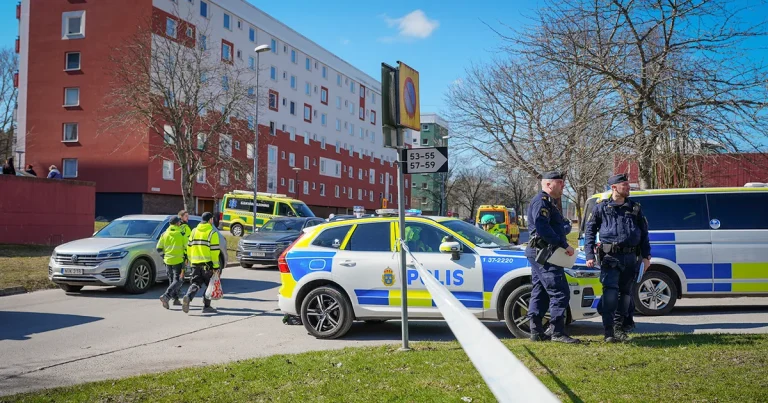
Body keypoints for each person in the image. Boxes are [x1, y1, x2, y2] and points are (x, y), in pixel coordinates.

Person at [584, 173, 651, 343]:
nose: (628, 188)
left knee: (625, 295)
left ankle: (619, 328)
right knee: (611, 294)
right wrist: (589, 255)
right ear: (614, 188)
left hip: (630, 257)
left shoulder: (634, 208)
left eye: (628, 185)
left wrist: (646, 256)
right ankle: (608, 332)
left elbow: (644, 234)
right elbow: (590, 232)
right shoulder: (601, 208)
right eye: (625, 186)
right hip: (610, 257)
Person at [525, 171, 580, 343]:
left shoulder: (547, 202)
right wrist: (564, 245)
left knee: (540, 291)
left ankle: (536, 331)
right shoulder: (542, 202)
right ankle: (557, 332)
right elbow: (543, 229)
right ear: (549, 184)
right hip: (545, 253)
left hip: (542, 252)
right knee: (559, 291)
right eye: (560, 183)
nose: (563, 186)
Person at [182, 212, 221, 314]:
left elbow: (189, 248)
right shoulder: (212, 233)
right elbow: (214, 252)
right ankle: (206, 306)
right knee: (210, 285)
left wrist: (191, 261)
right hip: (207, 265)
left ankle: (188, 297)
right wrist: (216, 266)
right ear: (210, 220)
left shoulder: (194, 231)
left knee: (196, 283)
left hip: (195, 263)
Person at [157, 216, 187, 309]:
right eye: (179, 222)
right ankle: (166, 296)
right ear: (178, 223)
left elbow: (158, 248)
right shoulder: (181, 233)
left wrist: (164, 256)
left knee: (172, 281)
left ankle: (176, 299)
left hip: (168, 261)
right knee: (179, 280)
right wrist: (187, 258)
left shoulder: (164, 234)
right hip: (179, 261)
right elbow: (187, 248)